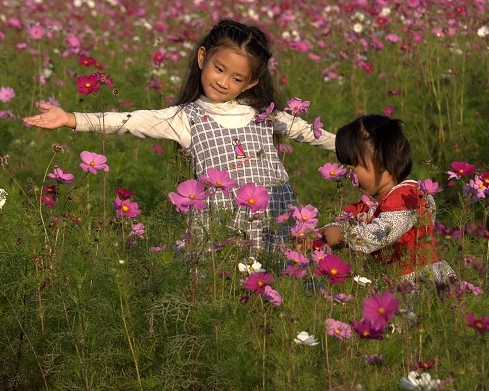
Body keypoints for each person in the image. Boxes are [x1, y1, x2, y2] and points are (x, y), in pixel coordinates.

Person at [24, 19, 335, 252]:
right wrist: (71, 118)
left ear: (251, 83)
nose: (224, 82)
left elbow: (311, 133)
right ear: (202, 58)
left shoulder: (265, 116)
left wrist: (357, 149)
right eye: (219, 69)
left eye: (237, 77)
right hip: (219, 235)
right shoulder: (184, 118)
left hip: (273, 227)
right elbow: (133, 120)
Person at [321, 115, 455, 286]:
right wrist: (317, 236)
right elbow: (343, 222)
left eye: (353, 165)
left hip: (422, 283)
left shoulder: (407, 198)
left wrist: (343, 234)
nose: (349, 173)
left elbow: (381, 233)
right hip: (395, 282)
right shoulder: (369, 204)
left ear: (380, 163)